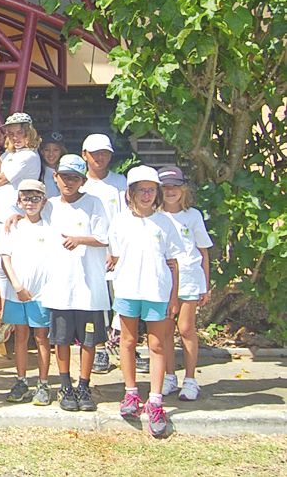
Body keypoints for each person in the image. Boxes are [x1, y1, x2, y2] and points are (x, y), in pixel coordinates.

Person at [109, 165, 182, 438]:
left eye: (151, 190)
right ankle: (130, 393)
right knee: (127, 342)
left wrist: (173, 298)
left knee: (157, 344)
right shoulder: (119, 221)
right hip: (128, 289)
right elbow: (115, 255)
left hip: (156, 292)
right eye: (141, 190)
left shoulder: (164, 223)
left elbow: (173, 263)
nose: (147, 195)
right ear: (131, 193)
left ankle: (155, 400)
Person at [40, 154, 110, 412]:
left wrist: (80, 239)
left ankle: (84, 384)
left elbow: (103, 237)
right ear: (55, 177)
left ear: (82, 181)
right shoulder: (48, 205)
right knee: (61, 340)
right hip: (59, 286)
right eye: (64, 176)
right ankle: (65, 385)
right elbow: (30, 218)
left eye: (74, 178)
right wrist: (15, 218)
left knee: (89, 340)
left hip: (88, 287)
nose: (68, 182)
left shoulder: (94, 203)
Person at [0, 112, 41, 341]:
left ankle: (7, 316)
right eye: (11, 133)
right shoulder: (12, 153)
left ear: (28, 132)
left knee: (7, 263)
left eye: (19, 132)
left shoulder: (30, 156)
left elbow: (1, 179)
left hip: (13, 214)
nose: (15, 137)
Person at [157, 165, 212, 402]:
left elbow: (203, 252)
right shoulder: (155, 216)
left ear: (183, 189)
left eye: (175, 186)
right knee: (165, 330)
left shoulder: (193, 215)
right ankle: (169, 376)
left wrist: (205, 285)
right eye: (165, 187)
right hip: (163, 279)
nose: (170, 191)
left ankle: (190, 379)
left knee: (187, 328)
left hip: (189, 278)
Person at [79, 133, 131, 375]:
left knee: (122, 299)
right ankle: (98, 346)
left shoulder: (121, 182)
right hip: (89, 252)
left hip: (117, 252)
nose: (100, 158)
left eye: (104, 153)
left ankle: (124, 344)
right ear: (84, 155)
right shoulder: (80, 184)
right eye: (94, 153)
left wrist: (116, 250)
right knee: (96, 301)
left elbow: (125, 218)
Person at [0, 180, 53, 407]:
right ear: (18, 201)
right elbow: (5, 258)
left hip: (42, 294)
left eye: (35, 198)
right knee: (20, 337)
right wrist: (17, 286)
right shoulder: (12, 226)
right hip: (16, 292)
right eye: (25, 198)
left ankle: (43, 382)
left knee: (41, 337)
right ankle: (21, 380)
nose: (30, 203)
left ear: (44, 201)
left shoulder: (50, 226)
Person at [39, 132, 66, 199]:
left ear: (61, 151)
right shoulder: (38, 171)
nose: (51, 154)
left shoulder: (67, 171)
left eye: (55, 150)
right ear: (42, 151)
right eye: (47, 150)